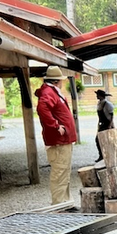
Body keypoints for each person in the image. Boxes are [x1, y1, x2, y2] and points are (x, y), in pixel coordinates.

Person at [34, 65, 77, 205]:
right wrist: (55, 125)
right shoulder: (48, 93)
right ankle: (58, 204)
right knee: (60, 172)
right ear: (56, 81)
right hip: (59, 140)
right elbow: (43, 108)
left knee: (64, 171)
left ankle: (65, 201)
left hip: (64, 139)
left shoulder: (52, 92)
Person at [94, 89, 114, 162]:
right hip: (101, 124)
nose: (97, 96)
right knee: (98, 140)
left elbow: (111, 115)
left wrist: (110, 125)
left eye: (98, 95)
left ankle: (107, 156)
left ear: (101, 96)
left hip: (107, 124)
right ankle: (101, 155)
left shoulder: (107, 104)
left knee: (107, 140)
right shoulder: (99, 103)